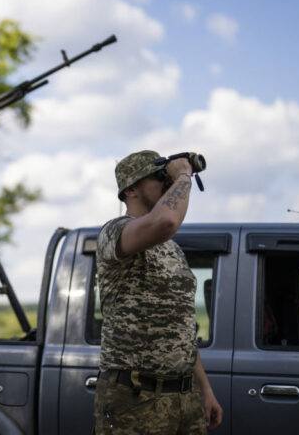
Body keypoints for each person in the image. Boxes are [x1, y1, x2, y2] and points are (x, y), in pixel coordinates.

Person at [94, 150, 223, 434]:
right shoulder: (113, 233)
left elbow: (182, 330)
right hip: (135, 398)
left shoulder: (172, 249)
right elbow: (166, 221)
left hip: (183, 397)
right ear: (131, 189)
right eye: (159, 178)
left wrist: (205, 390)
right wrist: (183, 175)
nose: (167, 184)